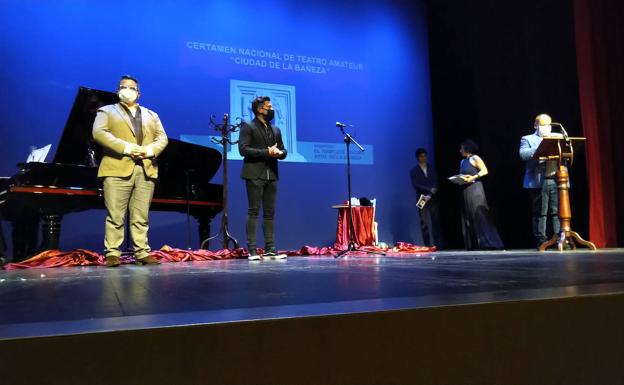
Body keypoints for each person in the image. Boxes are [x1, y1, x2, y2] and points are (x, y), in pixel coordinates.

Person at [92, 75, 168, 267]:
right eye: (123, 87)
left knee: (141, 216)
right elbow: (99, 133)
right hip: (117, 167)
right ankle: (112, 253)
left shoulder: (152, 115)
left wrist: (149, 150)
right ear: (118, 90)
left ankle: (142, 252)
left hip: (145, 168)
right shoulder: (107, 111)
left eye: (131, 87)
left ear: (138, 93)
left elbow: (162, 138)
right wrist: (126, 148)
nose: (127, 90)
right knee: (115, 215)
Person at [238, 96, 288, 261]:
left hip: (272, 174)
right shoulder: (248, 126)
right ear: (260, 109)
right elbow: (243, 150)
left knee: (269, 213)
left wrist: (280, 153)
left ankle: (270, 248)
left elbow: (283, 150)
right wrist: (266, 152)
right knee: (253, 211)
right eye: (269, 106)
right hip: (254, 174)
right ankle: (251, 249)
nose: (272, 109)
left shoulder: (276, 130)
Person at [519, 113, 562, 248]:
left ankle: (558, 238)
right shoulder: (527, 139)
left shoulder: (556, 137)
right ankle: (541, 240)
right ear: (536, 125)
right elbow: (523, 154)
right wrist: (542, 147)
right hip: (538, 181)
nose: (547, 127)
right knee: (540, 212)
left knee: (557, 211)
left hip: (556, 179)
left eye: (549, 125)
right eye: (544, 125)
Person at [457, 140, 504, 250]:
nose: (460, 150)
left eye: (461, 148)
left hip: (475, 189)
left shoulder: (475, 158)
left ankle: (489, 243)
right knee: (469, 215)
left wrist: (472, 177)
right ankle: (474, 244)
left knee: (480, 215)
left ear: (467, 148)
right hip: (465, 189)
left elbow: (484, 170)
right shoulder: (462, 162)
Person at [410, 148, 444, 248]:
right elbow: (415, 184)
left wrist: (431, 194)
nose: (423, 158)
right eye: (421, 156)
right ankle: (428, 244)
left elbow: (436, 181)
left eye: (425, 155)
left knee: (435, 220)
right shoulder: (414, 171)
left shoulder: (432, 168)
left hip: (432, 197)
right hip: (421, 198)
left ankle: (438, 244)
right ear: (417, 158)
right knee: (423, 222)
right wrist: (429, 190)